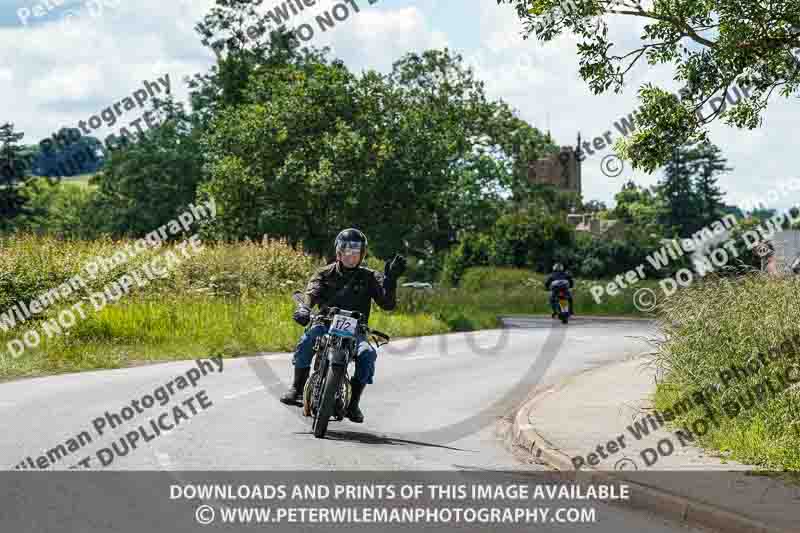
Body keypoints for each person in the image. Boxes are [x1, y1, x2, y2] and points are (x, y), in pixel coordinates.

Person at [280, 228, 406, 423]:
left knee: (367, 354)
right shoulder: (324, 272)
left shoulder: (370, 277)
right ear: (339, 252)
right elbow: (311, 292)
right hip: (325, 324)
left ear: (362, 255)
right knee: (306, 341)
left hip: (356, 330)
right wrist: (304, 309)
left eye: (356, 253)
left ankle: (354, 403)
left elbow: (387, 304)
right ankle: (297, 388)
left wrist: (391, 281)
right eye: (348, 252)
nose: (352, 257)